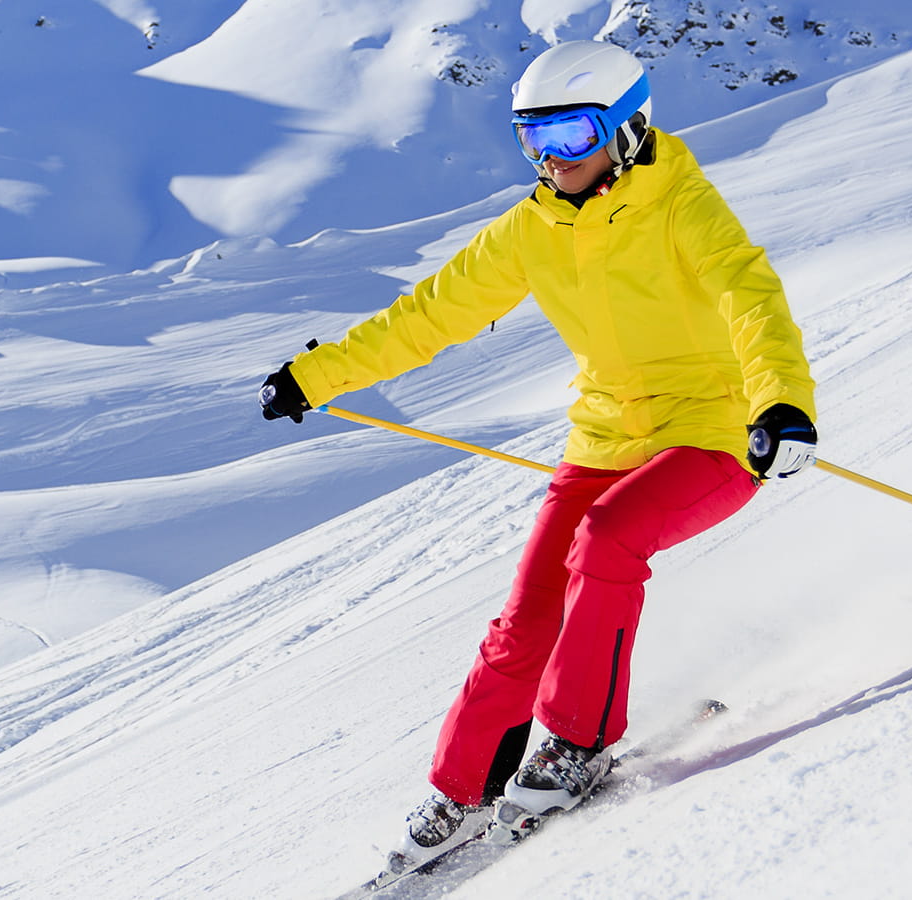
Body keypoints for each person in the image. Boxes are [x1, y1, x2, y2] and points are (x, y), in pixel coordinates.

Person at [255, 40, 819, 866]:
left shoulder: (683, 206)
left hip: (718, 432)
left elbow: (751, 297)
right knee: (526, 621)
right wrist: (315, 375)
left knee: (610, 538)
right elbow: (428, 316)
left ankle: (576, 746)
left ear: (628, 130)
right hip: (604, 437)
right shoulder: (534, 228)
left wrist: (782, 404)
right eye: (535, 139)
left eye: (574, 137)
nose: (553, 161)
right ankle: (467, 791)